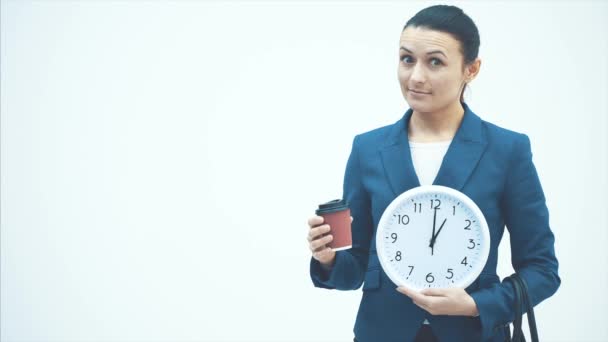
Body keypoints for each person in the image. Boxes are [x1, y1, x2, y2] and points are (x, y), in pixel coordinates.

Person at [306, 5, 560, 342]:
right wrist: (327, 260)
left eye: (435, 62)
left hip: (473, 334)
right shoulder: (367, 149)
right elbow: (356, 268)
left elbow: (543, 270)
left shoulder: (507, 150)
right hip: (383, 333)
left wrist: (475, 304)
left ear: (472, 69)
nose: (416, 77)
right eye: (407, 59)